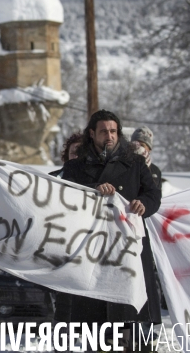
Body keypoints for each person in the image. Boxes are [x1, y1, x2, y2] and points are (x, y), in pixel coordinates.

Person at [58, 110, 162, 351]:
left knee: (133, 330)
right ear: (92, 133)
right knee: (97, 333)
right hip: (93, 255)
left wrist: (143, 203)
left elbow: (153, 194)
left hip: (128, 257)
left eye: (114, 131)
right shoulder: (75, 167)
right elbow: (66, 199)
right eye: (104, 131)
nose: (110, 136)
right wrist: (95, 189)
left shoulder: (134, 163)